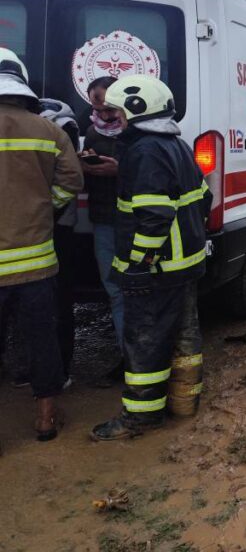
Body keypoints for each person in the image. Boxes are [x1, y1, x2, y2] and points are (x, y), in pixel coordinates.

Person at [91, 75, 211, 441]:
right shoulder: (176, 144)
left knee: (145, 342)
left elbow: (155, 216)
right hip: (186, 263)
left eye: (115, 112)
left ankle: (140, 418)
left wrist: (139, 264)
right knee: (184, 336)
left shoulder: (143, 152)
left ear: (136, 109)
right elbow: (204, 199)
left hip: (158, 268)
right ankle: (183, 403)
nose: (112, 119)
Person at [0, 49, 83, 441]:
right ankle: (46, 419)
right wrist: (46, 207)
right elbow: (72, 181)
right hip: (37, 262)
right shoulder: (49, 131)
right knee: (42, 340)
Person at [80, 76, 126, 359]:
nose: (105, 114)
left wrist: (120, 171)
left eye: (110, 107)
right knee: (114, 291)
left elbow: (153, 176)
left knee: (134, 292)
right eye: (98, 107)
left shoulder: (137, 133)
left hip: (133, 222)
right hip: (103, 220)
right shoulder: (92, 131)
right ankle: (126, 355)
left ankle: (137, 359)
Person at [38, 98, 81, 384]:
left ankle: (57, 371)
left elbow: (69, 180)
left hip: (51, 227)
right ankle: (53, 374)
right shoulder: (59, 126)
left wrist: (48, 210)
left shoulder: (58, 127)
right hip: (51, 225)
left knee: (54, 302)